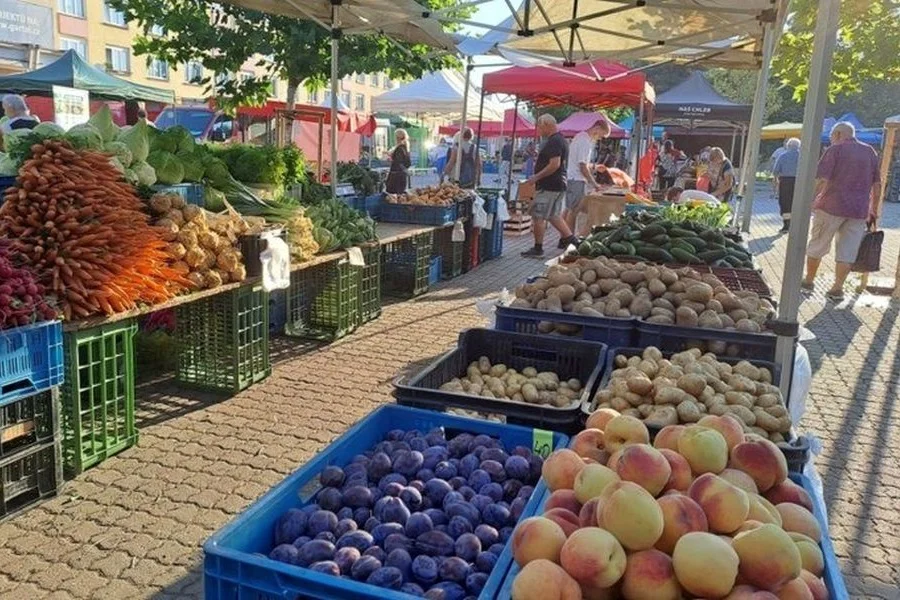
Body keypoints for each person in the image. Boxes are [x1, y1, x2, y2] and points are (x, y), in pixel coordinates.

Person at [802, 122, 881, 301]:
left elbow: (822, 179)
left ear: (837, 134)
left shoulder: (835, 150)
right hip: (858, 210)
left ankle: (809, 281)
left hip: (830, 206)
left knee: (818, 245)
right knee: (847, 251)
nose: (831, 138)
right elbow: (877, 185)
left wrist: (809, 200)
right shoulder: (870, 152)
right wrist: (873, 210)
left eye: (832, 135)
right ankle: (837, 288)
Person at [521, 114, 577, 257]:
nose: (539, 130)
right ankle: (572, 241)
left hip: (549, 185)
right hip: (557, 184)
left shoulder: (554, 141)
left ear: (546, 125)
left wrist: (536, 177)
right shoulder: (560, 139)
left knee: (538, 216)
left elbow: (554, 164)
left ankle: (538, 248)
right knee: (553, 215)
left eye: (540, 127)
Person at [562, 118, 611, 239]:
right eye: (601, 135)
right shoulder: (584, 141)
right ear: (597, 128)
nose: (600, 138)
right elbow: (582, 166)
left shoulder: (581, 137)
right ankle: (569, 238)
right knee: (574, 211)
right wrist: (595, 184)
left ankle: (564, 237)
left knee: (569, 209)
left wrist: (595, 167)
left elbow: (582, 163)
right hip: (577, 179)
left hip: (573, 178)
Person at [772, 137, 801, 233]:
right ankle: (796, 224)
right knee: (796, 202)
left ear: (788, 146)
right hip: (799, 182)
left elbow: (775, 171)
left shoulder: (783, 156)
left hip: (785, 181)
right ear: (799, 146)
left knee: (785, 202)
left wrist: (775, 181)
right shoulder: (802, 156)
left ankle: (786, 225)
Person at [385, 128, 411, 194]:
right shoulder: (405, 148)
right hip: (402, 175)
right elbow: (407, 162)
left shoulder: (399, 149)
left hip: (396, 176)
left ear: (397, 137)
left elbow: (398, 162)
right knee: (400, 194)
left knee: (392, 195)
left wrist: (392, 158)